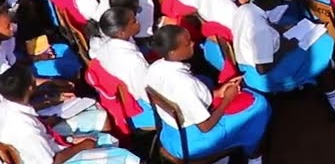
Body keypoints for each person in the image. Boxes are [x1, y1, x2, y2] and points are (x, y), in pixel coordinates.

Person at [145, 24, 271, 163]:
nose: (193, 43)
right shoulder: (185, 84)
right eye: (187, 43)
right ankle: (253, 155)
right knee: (259, 106)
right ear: (172, 52)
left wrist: (218, 92)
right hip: (193, 142)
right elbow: (206, 127)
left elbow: (184, 98)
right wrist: (227, 99)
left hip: (169, 132)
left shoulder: (154, 68)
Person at [0, 62, 142, 164]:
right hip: (55, 158)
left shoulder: (7, 107)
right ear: (31, 87)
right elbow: (52, 161)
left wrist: (53, 127)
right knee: (124, 157)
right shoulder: (27, 131)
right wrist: (83, 145)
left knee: (105, 136)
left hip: (48, 144)